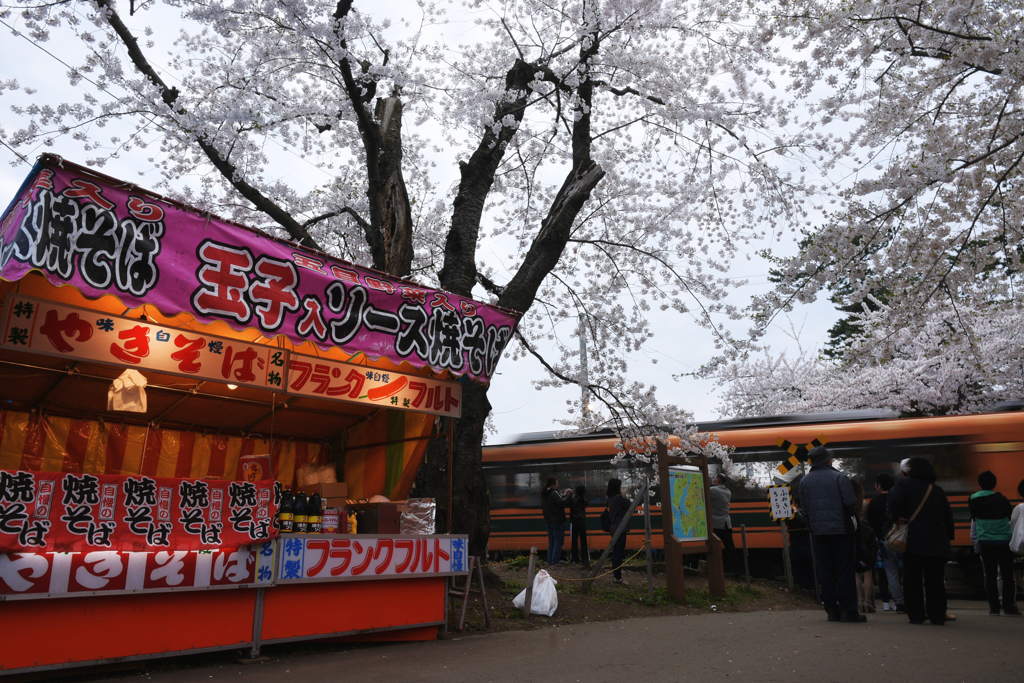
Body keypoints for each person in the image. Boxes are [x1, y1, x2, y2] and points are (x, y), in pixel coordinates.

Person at [798, 445, 864, 622]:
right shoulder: (839, 478)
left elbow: (803, 510)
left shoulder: (804, 481)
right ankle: (849, 611)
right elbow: (850, 503)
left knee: (825, 571)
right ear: (828, 460)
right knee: (844, 570)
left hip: (818, 533)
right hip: (841, 531)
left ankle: (831, 610)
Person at [888, 457, 953, 625]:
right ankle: (937, 614)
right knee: (935, 581)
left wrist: (899, 519)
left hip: (913, 540)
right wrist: (948, 538)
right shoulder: (936, 490)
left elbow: (893, 507)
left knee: (912, 579)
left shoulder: (903, 486)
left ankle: (916, 614)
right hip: (937, 542)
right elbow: (947, 517)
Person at [969, 470, 1020, 616]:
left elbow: (974, 519)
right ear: (994, 483)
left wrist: (975, 540)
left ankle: (994, 607)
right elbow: (1008, 517)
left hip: (985, 541)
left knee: (989, 575)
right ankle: (1009, 607)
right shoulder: (1001, 498)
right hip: (1004, 540)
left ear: (979, 484)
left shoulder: (973, 499)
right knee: (1007, 575)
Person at [866, 471, 904, 611]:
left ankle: (892, 602)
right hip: (901, 540)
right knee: (903, 572)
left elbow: (870, 522)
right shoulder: (899, 498)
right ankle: (904, 600)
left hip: (884, 541)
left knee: (888, 572)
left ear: (878, 486)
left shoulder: (874, 502)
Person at [851, 479, 877, 613]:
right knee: (868, 573)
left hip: (854, 536)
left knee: (855, 573)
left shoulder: (848, 504)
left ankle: (860, 602)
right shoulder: (865, 503)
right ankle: (868, 602)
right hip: (867, 536)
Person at [606, 478, 630, 583]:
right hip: (619, 528)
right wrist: (624, 495)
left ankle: (617, 575)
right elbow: (629, 504)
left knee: (617, 552)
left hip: (614, 527)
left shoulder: (610, 498)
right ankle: (617, 577)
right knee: (618, 553)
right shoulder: (618, 498)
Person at [541, 477, 571, 565]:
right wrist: (568, 495)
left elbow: (557, 501)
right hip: (557, 521)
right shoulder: (554, 492)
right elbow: (562, 503)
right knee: (558, 542)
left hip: (548, 520)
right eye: (557, 483)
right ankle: (555, 561)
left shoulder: (545, 493)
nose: (558, 484)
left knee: (551, 542)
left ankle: (550, 560)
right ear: (553, 484)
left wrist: (564, 495)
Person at [709, 473, 734, 572]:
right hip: (726, 523)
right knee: (729, 547)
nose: (713, 479)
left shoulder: (713, 490)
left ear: (719, 480)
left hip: (716, 524)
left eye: (715, 478)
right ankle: (732, 569)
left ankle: (718, 568)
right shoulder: (728, 491)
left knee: (714, 546)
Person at [569, 484, 590, 566]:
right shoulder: (583, 500)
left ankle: (575, 558)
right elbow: (586, 504)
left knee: (574, 541)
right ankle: (585, 559)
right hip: (581, 522)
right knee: (583, 541)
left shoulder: (573, 499)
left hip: (574, 522)